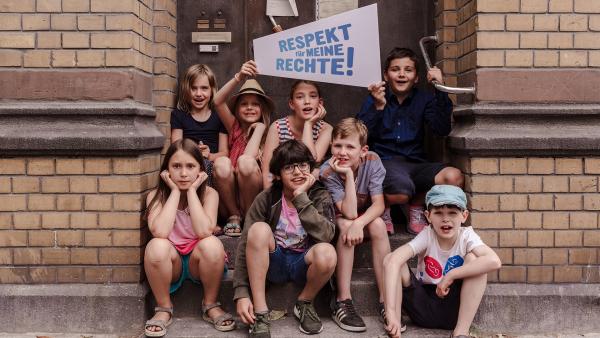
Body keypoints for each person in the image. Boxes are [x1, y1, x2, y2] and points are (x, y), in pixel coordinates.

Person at [233, 140, 337, 337]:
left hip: (303, 264)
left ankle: (305, 302)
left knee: (328, 253)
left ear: (310, 168)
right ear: (278, 174)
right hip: (274, 262)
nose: (298, 172)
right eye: (289, 167)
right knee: (258, 230)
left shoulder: (320, 196)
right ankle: (261, 312)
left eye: (303, 165)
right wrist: (241, 292)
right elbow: (245, 243)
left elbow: (327, 235)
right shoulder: (267, 198)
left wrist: (300, 197)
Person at [357, 47, 463, 235]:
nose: (401, 74)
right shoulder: (375, 98)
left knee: (453, 177)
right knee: (400, 189)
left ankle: (416, 206)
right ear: (386, 75)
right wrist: (378, 107)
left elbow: (441, 129)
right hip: (385, 164)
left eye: (408, 70)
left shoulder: (424, 99)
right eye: (395, 69)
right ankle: (383, 209)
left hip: (416, 164)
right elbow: (359, 136)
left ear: (416, 77)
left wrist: (440, 89)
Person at [382, 185, 502, 338]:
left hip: (454, 309)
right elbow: (392, 261)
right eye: (438, 213)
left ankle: (460, 333)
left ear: (464, 216)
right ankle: (395, 323)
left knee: (476, 261)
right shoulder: (427, 235)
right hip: (422, 307)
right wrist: (391, 313)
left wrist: (451, 275)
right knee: (390, 259)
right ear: (428, 216)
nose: (445, 219)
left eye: (452, 213)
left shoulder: (466, 236)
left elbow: (494, 261)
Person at [143, 139, 235, 337]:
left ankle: (210, 304)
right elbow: (160, 232)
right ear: (166, 170)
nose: (183, 173)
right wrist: (175, 192)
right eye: (176, 166)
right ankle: (163, 308)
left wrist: (192, 191)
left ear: (200, 170)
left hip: (199, 261)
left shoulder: (209, 194)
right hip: (171, 262)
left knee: (212, 244)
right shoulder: (156, 196)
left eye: (190, 166)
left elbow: (204, 232)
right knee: (156, 246)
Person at [319, 118, 391, 332]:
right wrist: (349, 175)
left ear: (363, 150)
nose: (342, 152)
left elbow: (378, 205)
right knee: (345, 225)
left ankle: (387, 301)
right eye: (337, 145)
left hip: (363, 217)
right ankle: (343, 300)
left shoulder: (373, 160)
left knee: (378, 225)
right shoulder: (328, 170)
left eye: (350, 147)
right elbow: (348, 211)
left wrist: (359, 223)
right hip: (339, 219)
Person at [212, 60, 273, 237]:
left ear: (262, 109)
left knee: (245, 163)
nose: (249, 108)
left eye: (255, 104)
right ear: (237, 109)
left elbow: (248, 158)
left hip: (254, 197)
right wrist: (238, 77)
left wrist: (259, 128)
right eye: (244, 104)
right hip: (230, 197)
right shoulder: (234, 127)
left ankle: (250, 217)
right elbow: (217, 101)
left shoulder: (270, 132)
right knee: (222, 162)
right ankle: (234, 216)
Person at [171, 64, 228, 234]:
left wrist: (210, 155)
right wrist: (192, 153)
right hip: (187, 163)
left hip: (211, 162)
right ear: (186, 90)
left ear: (212, 90)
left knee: (207, 167)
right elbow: (175, 147)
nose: (198, 93)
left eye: (204, 88)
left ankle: (211, 219)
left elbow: (225, 152)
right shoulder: (179, 115)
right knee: (195, 169)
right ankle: (192, 220)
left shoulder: (219, 116)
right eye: (193, 88)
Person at [261, 80, 333, 189]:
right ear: (292, 104)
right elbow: (268, 170)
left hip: (310, 184)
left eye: (313, 96)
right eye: (300, 97)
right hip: (283, 183)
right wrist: (269, 198)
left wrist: (308, 125)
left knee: (317, 172)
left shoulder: (326, 129)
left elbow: (311, 159)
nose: (307, 101)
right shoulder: (277, 127)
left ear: (320, 103)